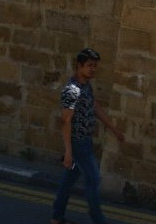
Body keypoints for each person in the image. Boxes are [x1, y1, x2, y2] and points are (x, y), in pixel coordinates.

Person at [50, 47, 125, 224]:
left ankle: (56, 217)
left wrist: (113, 128)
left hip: (84, 142)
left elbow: (95, 107)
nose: (93, 69)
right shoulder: (72, 90)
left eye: (95, 66)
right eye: (90, 65)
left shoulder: (85, 86)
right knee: (93, 178)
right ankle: (98, 219)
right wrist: (68, 152)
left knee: (69, 180)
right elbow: (65, 121)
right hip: (78, 144)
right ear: (79, 66)